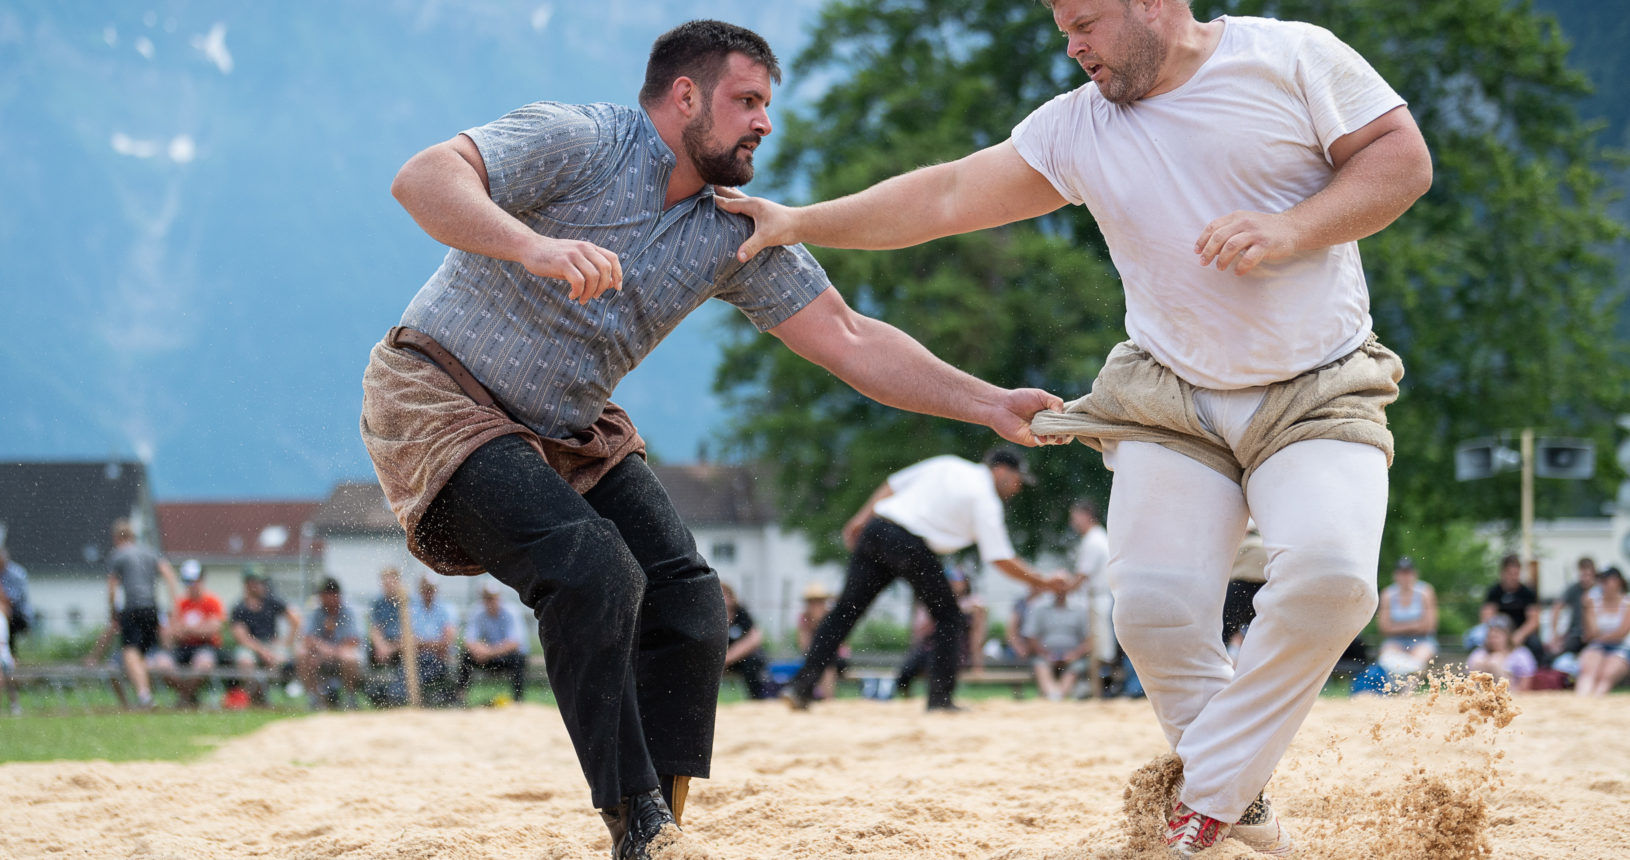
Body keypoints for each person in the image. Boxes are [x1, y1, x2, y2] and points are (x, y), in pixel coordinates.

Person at [718, 0, 1431, 851]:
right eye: (1062, 28)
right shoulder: (1075, 129)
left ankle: (1207, 796)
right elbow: (944, 194)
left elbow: (1403, 161)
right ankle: (1238, 808)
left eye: (1086, 22)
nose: (1073, 46)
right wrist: (800, 221)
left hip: (1320, 383)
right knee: (1156, 612)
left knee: (1333, 583)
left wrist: (1292, 228)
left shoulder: (1292, 55)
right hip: (1171, 398)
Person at [359, 20, 1061, 856]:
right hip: (438, 396)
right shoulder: (581, 139)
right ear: (685, 96)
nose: (765, 122)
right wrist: (534, 247)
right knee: (593, 567)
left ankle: (660, 830)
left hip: (570, 432)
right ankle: (636, 816)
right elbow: (422, 177)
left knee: (692, 605)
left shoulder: (737, 229)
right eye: (748, 101)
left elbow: (850, 337)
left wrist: (987, 404)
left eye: (769, 105)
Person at [783, 448, 1062, 712]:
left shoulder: (949, 464)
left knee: (845, 612)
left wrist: (861, 518)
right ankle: (940, 699)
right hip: (909, 544)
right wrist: (1044, 582)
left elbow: (893, 484)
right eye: (1017, 480)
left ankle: (801, 687)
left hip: (878, 529)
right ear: (1001, 471)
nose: (1017, 488)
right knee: (950, 617)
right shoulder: (984, 498)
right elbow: (1000, 558)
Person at [106, 519, 183, 709]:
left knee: (130, 652)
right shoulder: (150, 552)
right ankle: (153, 694)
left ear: (116, 537)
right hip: (152, 608)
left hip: (132, 608)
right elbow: (169, 575)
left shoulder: (118, 555)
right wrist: (174, 604)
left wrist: (113, 613)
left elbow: (112, 588)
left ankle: (144, 695)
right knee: (144, 653)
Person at [230, 569, 303, 707]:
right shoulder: (239, 608)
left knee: (280, 660)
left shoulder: (272, 601)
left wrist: (286, 643)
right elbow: (242, 638)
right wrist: (262, 651)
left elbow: (296, 620)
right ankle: (256, 697)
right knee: (245, 662)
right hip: (251, 647)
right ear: (247, 585)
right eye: (254, 583)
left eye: (259, 583)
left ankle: (269, 696)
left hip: (271, 645)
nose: (258, 586)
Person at [1066, 499, 1116, 695]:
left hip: (1099, 598)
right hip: (1100, 597)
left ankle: (1101, 690)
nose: (1073, 522)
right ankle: (1100, 689)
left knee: (1101, 649)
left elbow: (1081, 576)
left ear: (1086, 515)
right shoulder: (1098, 537)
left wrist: (1060, 587)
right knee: (1100, 646)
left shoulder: (1093, 540)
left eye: (1075, 517)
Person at [165, 560, 227, 708]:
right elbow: (170, 633)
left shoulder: (212, 601)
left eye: (193, 580)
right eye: (187, 581)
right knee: (161, 664)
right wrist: (197, 629)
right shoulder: (180, 604)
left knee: (203, 664)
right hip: (182, 648)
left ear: (201, 580)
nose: (191, 585)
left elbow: (213, 629)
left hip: (206, 647)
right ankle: (190, 697)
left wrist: (187, 630)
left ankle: (184, 699)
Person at [457, 581, 531, 704]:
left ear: (499, 597)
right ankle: (460, 697)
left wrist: (489, 651)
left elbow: (515, 643)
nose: (490, 601)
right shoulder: (477, 612)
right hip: (488, 656)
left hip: (504, 657)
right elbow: (468, 640)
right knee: (466, 656)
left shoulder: (511, 612)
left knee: (518, 659)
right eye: (487, 598)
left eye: (492, 597)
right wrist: (478, 649)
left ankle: (518, 700)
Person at [297, 577, 364, 710]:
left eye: (330, 594)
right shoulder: (316, 612)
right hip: (321, 657)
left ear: (337, 595)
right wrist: (323, 650)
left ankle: (350, 697)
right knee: (302, 653)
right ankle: (313, 698)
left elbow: (354, 640)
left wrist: (331, 651)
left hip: (341, 656)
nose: (327, 598)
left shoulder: (348, 612)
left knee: (349, 657)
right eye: (324, 595)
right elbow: (307, 638)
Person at [1022, 586, 1093, 702]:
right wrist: (1046, 654)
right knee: (1041, 664)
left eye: (1063, 586)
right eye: (1057, 585)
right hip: (1044, 655)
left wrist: (1073, 655)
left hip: (1073, 656)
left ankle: (1057, 696)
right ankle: (1054, 694)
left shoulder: (1081, 608)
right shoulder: (1038, 607)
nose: (1060, 590)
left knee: (1075, 668)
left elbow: (1090, 640)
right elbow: (1031, 638)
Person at [1375, 556, 1438, 676]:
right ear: (1396, 575)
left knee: (1417, 662)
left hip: (1422, 640)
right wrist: (1415, 625)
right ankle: (1393, 691)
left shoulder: (1425, 591)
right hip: (1395, 641)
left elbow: (1429, 626)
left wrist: (1397, 627)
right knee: (1387, 659)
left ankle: (1407, 693)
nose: (1405, 577)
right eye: (1402, 573)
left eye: (1408, 573)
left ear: (1414, 574)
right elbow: (1384, 628)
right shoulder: (1388, 594)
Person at [1573, 567, 1630, 697]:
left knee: (1605, 676)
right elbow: (1592, 631)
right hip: (1600, 645)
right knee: (1588, 674)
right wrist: (1587, 608)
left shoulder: (1627, 603)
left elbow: (1621, 634)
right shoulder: (1593, 602)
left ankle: (1593, 703)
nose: (1602, 584)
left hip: (1621, 647)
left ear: (1617, 581)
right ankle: (1582, 703)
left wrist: (1599, 636)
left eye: (1606, 580)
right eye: (1601, 580)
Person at [1479, 554, 1543, 658]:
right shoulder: (1494, 592)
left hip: (1520, 631)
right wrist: (1496, 635)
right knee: (1477, 637)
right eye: (1510, 573)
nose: (1513, 577)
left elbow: (1533, 621)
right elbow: (1487, 617)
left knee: (1535, 644)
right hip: (1498, 630)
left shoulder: (1528, 593)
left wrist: (1519, 635)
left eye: (1516, 574)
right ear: (1502, 573)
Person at [719, 583, 775, 700]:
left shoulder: (741, 613)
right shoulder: (706, 616)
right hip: (714, 660)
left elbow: (755, 638)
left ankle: (757, 698)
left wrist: (727, 658)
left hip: (738, 660)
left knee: (754, 659)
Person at [794, 582, 846, 701]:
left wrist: (820, 623)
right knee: (819, 660)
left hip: (837, 659)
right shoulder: (804, 619)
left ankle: (827, 698)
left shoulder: (832, 617)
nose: (815, 605)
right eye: (812, 602)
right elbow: (804, 646)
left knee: (827, 659)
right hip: (815, 660)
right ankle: (818, 696)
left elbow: (837, 644)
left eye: (818, 601)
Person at [1546, 556, 1598, 663]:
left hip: (1595, 636)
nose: (1585, 578)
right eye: (1582, 575)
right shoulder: (1574, 589)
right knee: (1552, 655)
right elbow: (1557, 607)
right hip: (1576, 634)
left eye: (1588, 575)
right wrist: (1554, 634)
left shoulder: (1600, 590)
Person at [1466, 615, 1537, 692]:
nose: (1494, 640)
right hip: (1482, 692)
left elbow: (1525, 684)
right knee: (1479, 662)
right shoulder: (1479, 653)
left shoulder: (1520, 654)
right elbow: (1469, 677)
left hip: (1512, 692)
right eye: (1491, 636)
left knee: (1495, 661)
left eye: (1497, 636)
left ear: (1508, 636)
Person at [0, 546, 34, 643]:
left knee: (5, 615)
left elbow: (11, 600)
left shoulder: (16, 574)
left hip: (18, 614)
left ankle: (7, 650)